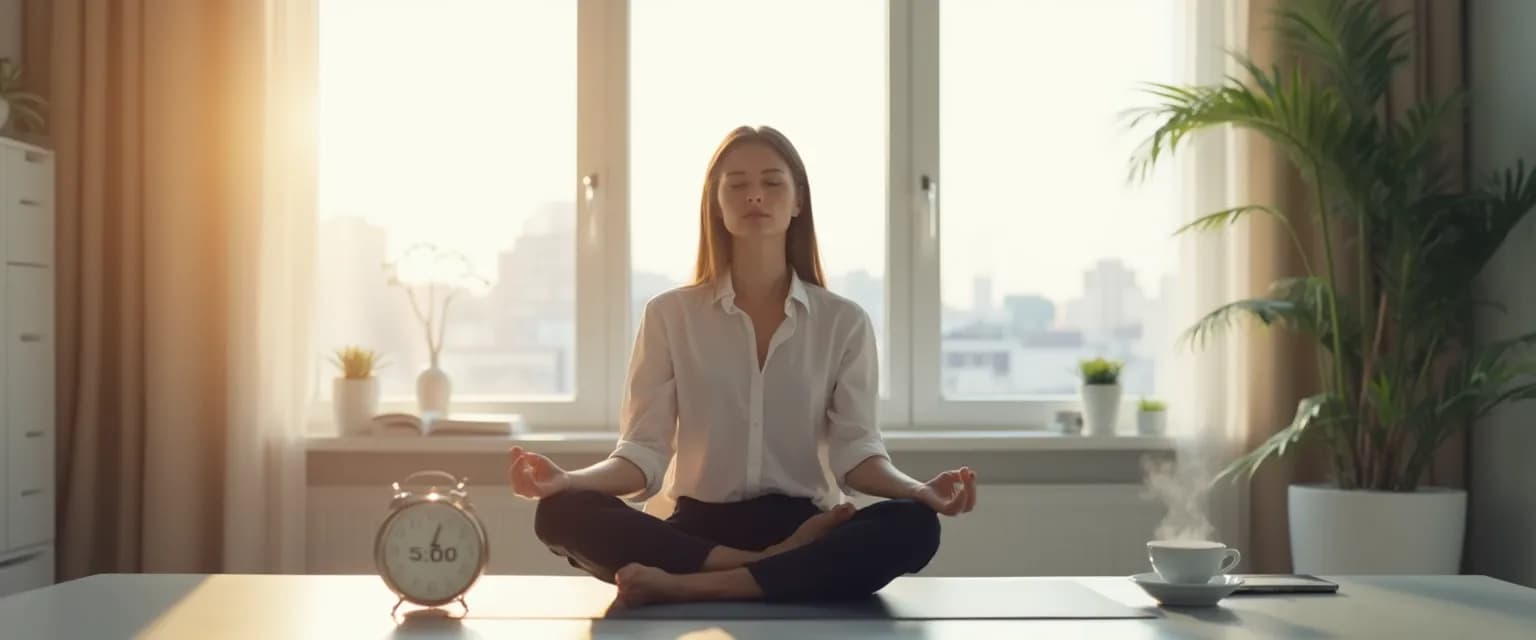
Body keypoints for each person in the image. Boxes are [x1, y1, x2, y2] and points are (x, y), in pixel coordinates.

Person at [508, 125, 978, 607]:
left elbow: (856, 455)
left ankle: (699, 586)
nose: (755, 194)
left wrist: (920, 490)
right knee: (559, 512)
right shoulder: (669, 315)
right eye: (737, 184)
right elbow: (642, 456)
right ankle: (760, 568)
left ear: (798, 201)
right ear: (717, 203)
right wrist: (567, 480)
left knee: (914, 524)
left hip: (808, 524)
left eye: (773, 183)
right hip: (698, 531)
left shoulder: (844, 322)